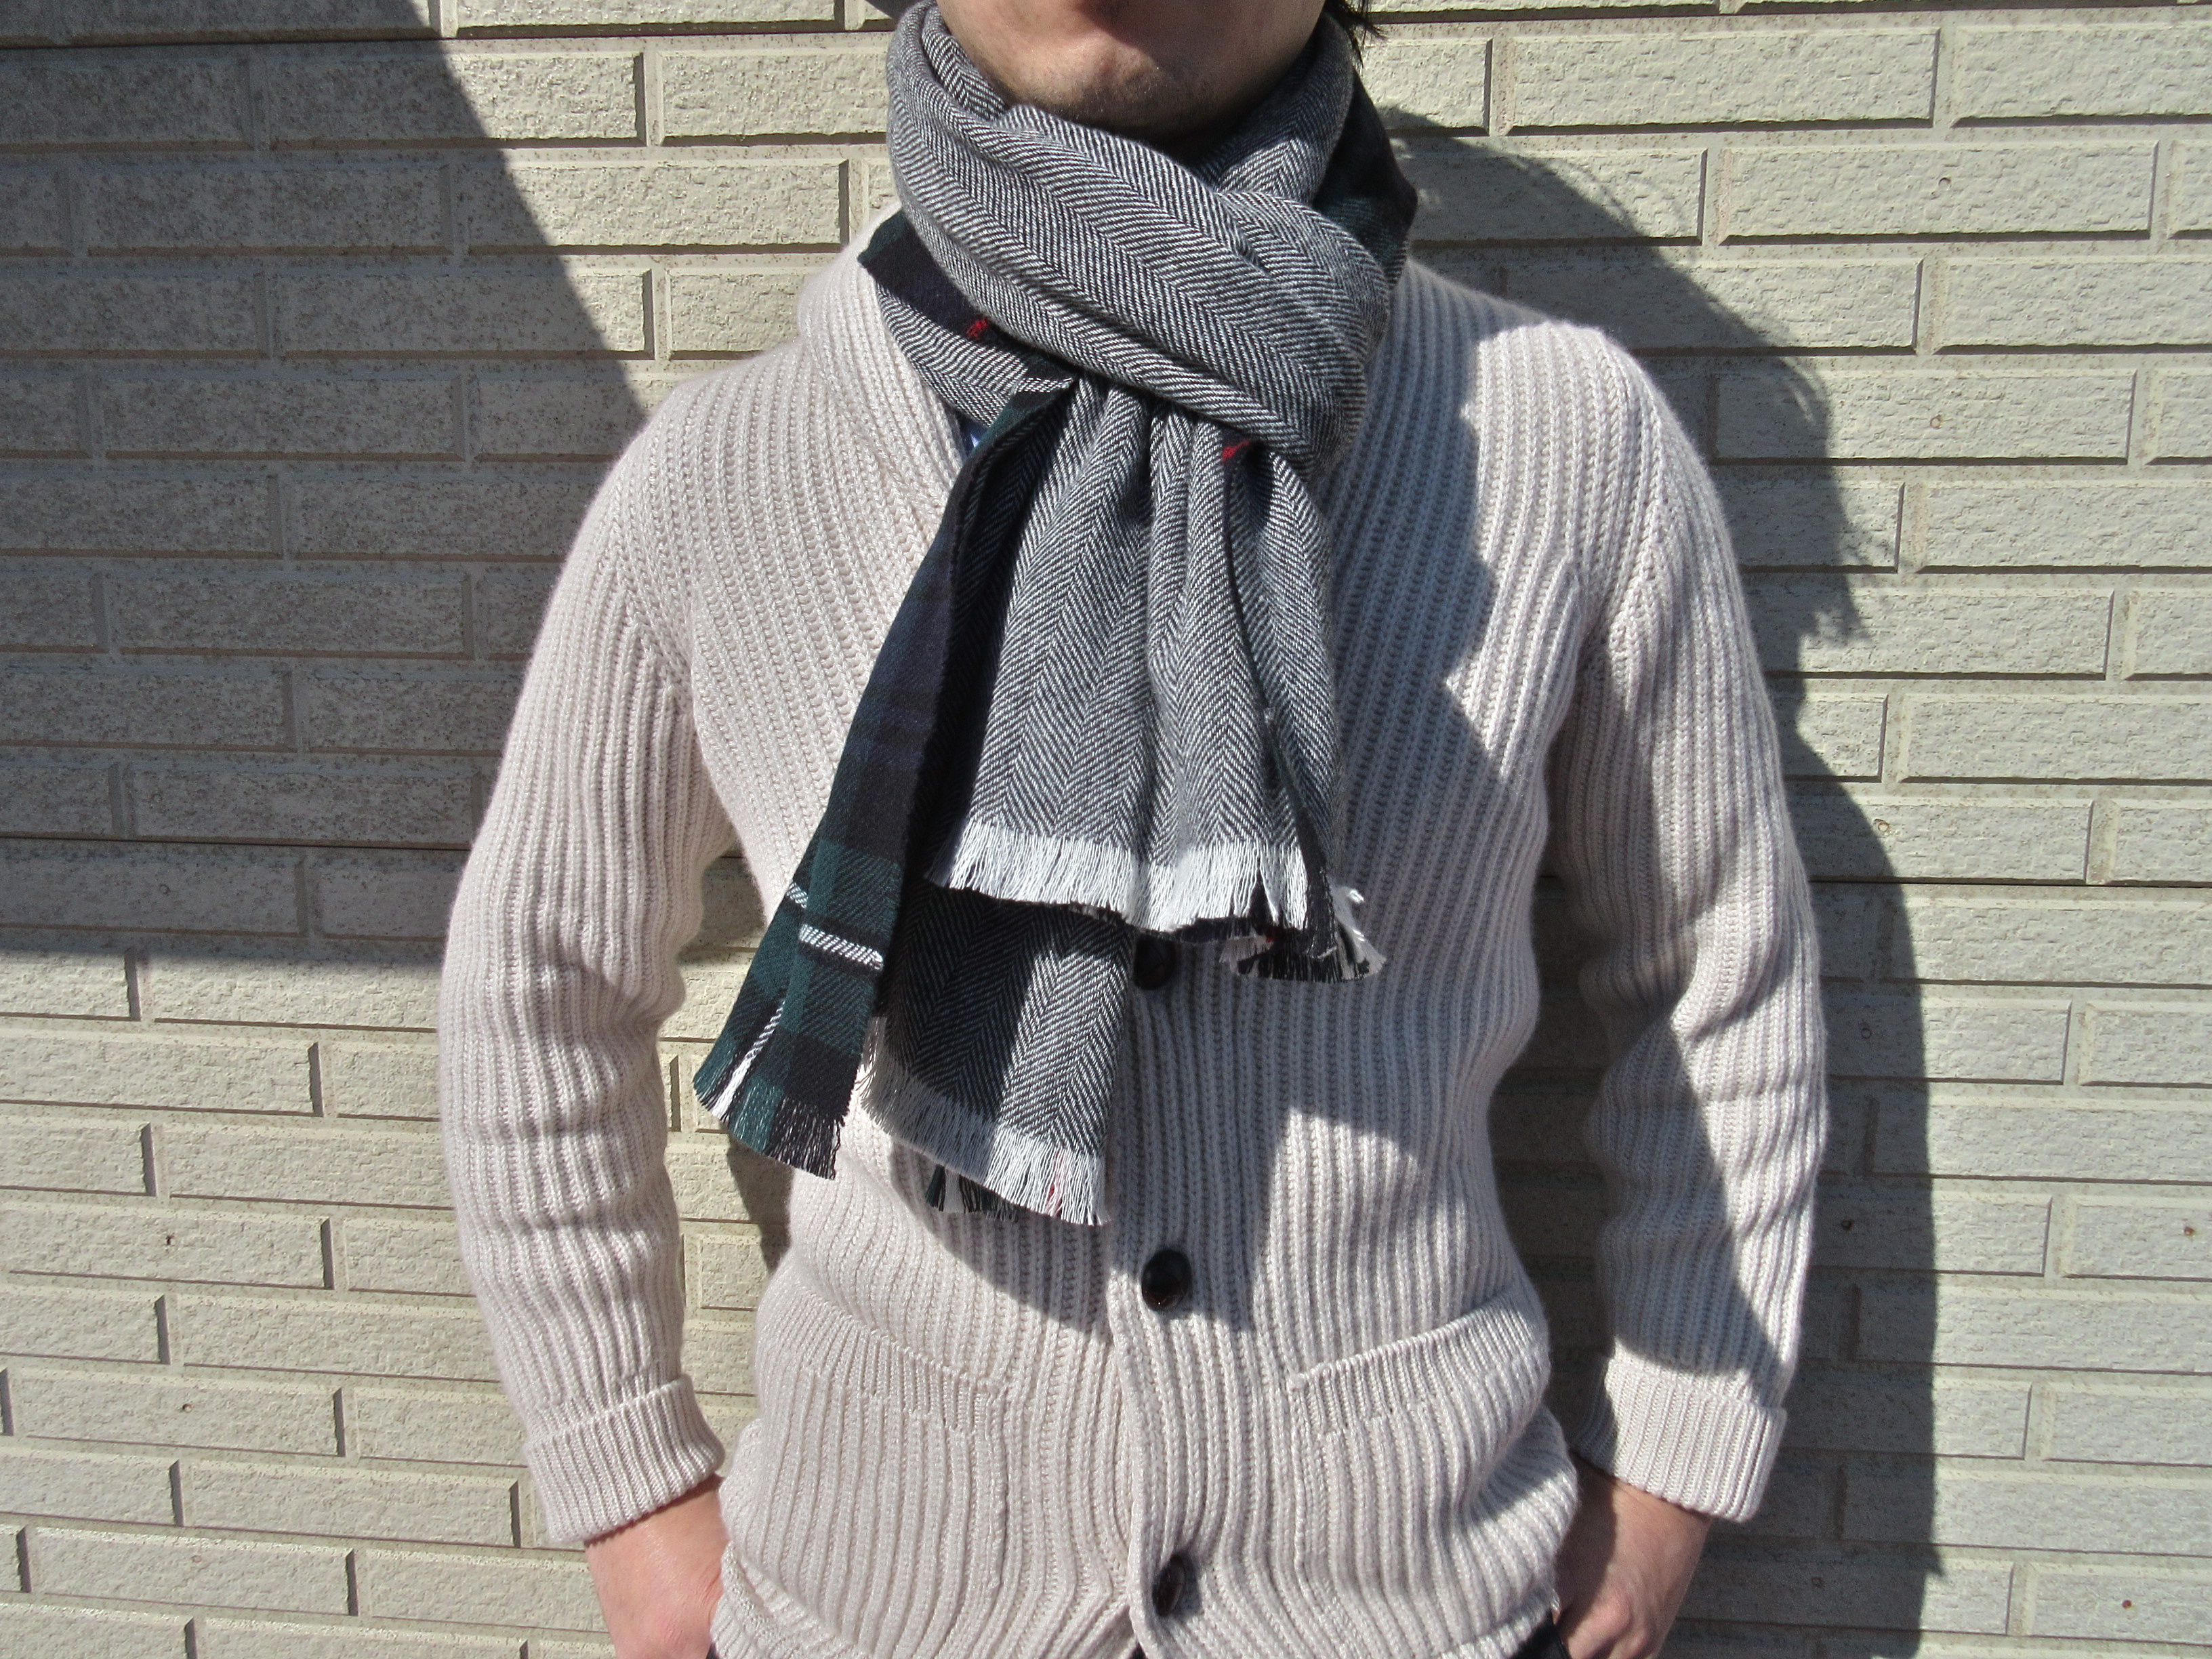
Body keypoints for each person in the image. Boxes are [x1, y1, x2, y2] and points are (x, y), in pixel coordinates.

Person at [437, 1, 1827, 1656]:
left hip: (1415, 1602)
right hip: (877, 1607)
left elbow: (1716, 971)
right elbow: (540, 983)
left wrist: (1673, 1463)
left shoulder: (1563, 443)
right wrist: (631, 1494)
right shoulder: (728, 472)